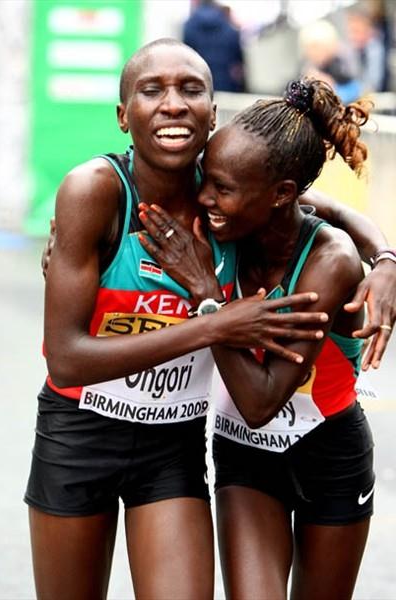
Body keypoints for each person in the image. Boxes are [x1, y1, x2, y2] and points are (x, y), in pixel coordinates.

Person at [35, 39, 396, 599]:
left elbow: (315, 207)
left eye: (191, 90)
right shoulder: (106, 191)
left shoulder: (234, 199)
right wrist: (215, 321)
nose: (174, 103)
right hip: (82, 437)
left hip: (177, 447)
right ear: (123, 116)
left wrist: (386, 257)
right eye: (152, 90)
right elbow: (65, 356)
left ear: (211, 115)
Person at [137, 78, 391, 599]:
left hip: (330, 458)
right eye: (208, 179)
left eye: (223, 188)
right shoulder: (232, 222)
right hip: (245, 457)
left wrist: (211, 299)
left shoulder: (329, 261)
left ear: (281, 196)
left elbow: (260, 400)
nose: (205, 196)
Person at [183, 0, 245, 92]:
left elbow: (186, 57)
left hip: (199, 82)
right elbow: (238, 60)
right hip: (225, 83)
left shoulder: (189, 26)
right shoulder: (228, 25)